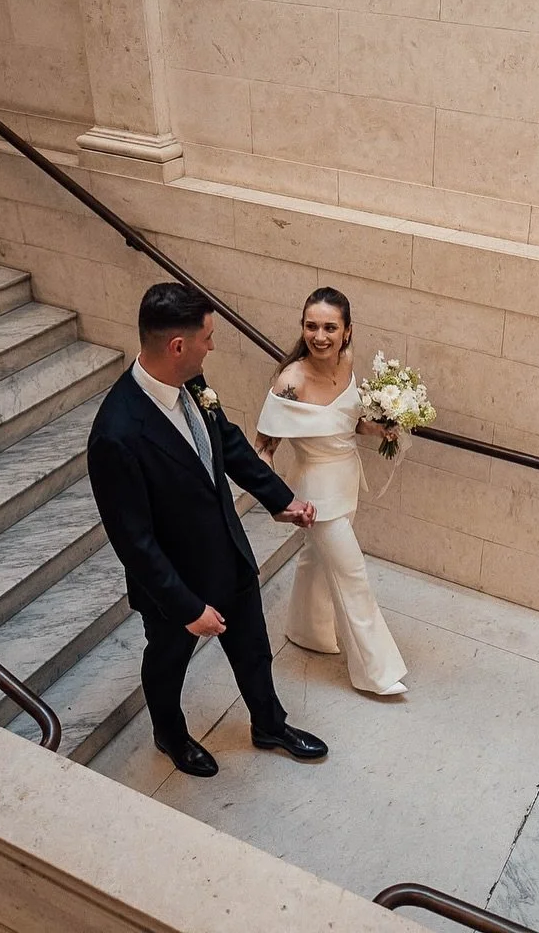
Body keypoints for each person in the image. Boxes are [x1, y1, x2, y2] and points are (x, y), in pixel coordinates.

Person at [86, 282, 328, 778]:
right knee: (168, 662)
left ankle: (269, 724)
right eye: (207, 339)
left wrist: (280, 499)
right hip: (174, 583)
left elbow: (229, 442)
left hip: (227, 553)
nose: (212, 347)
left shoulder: (192, 381)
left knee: (253, 648)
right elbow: (134, 542)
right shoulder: (116, 433)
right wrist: (187, 607)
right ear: (177, 346)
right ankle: (170, 734)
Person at [253, 287, 408, 696]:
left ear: (347, 331)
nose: (319, 336)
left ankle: (306, 630)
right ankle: (376, 673)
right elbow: (263, 448)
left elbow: (347, 422)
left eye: (329, 328)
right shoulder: (291, 382)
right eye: (311, 326)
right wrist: (279, 501)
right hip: (317, 494)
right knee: (352, 575)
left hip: (347, 480)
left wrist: (378, 428)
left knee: (316, 562)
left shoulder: (348, 362)